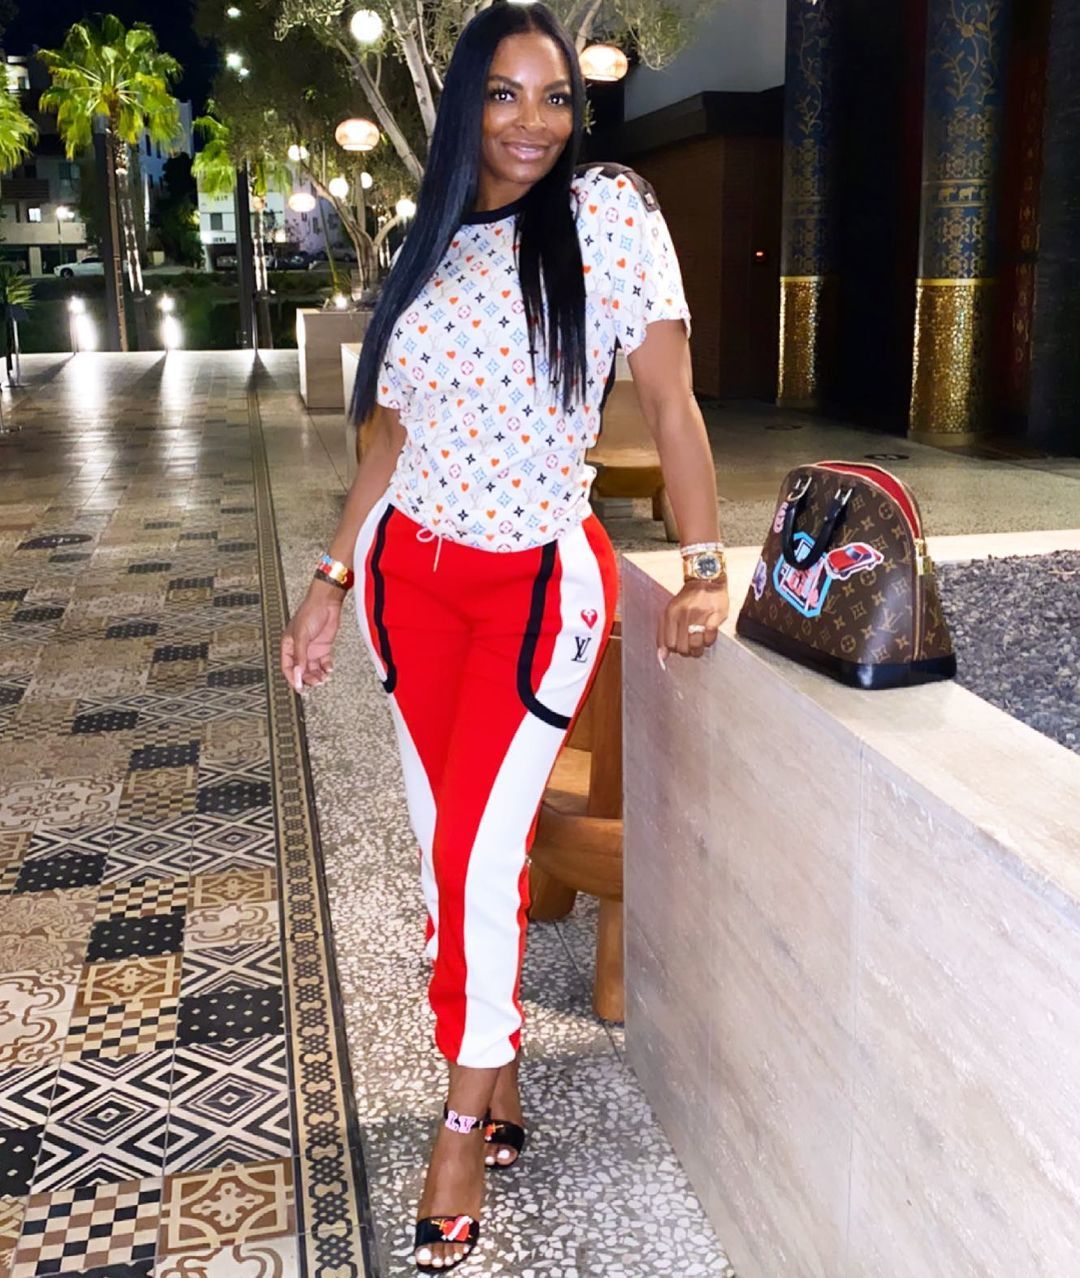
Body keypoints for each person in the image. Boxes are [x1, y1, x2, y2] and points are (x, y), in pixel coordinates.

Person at [280, 2, 728, 1269]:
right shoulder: (421, 246)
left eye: (555, 97)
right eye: (505, 95)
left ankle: (462, 1122)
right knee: (449, 853)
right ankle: (503, 1063)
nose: (534, 122)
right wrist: (330, 579)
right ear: (465, 104)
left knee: (480, 856)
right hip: (407, 587)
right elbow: (389, 436)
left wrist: (703, 567)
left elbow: (672, 402)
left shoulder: (608, 214)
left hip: (536, 586)